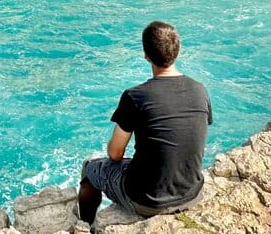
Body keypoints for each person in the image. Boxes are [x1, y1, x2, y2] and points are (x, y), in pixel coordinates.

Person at [78, 21, 213, 226]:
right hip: (191, 193)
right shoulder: (200, 90)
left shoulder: (136, 96)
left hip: (149, 201)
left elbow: (115, 154)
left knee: (90, 167)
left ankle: (85, 225)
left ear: (146, 55)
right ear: (177, 51)